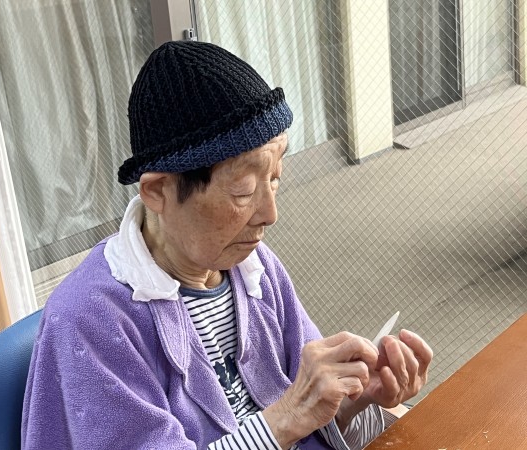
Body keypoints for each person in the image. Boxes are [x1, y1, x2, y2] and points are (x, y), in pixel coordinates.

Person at [21, 40, 432, 450]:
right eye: (243, 190)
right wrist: (287, 417)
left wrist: (352, 403)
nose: (269, 213)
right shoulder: (90, 322)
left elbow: (312, 417)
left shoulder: (255, 269)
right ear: (158, 191)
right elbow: (294, 414)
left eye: (275, 178)